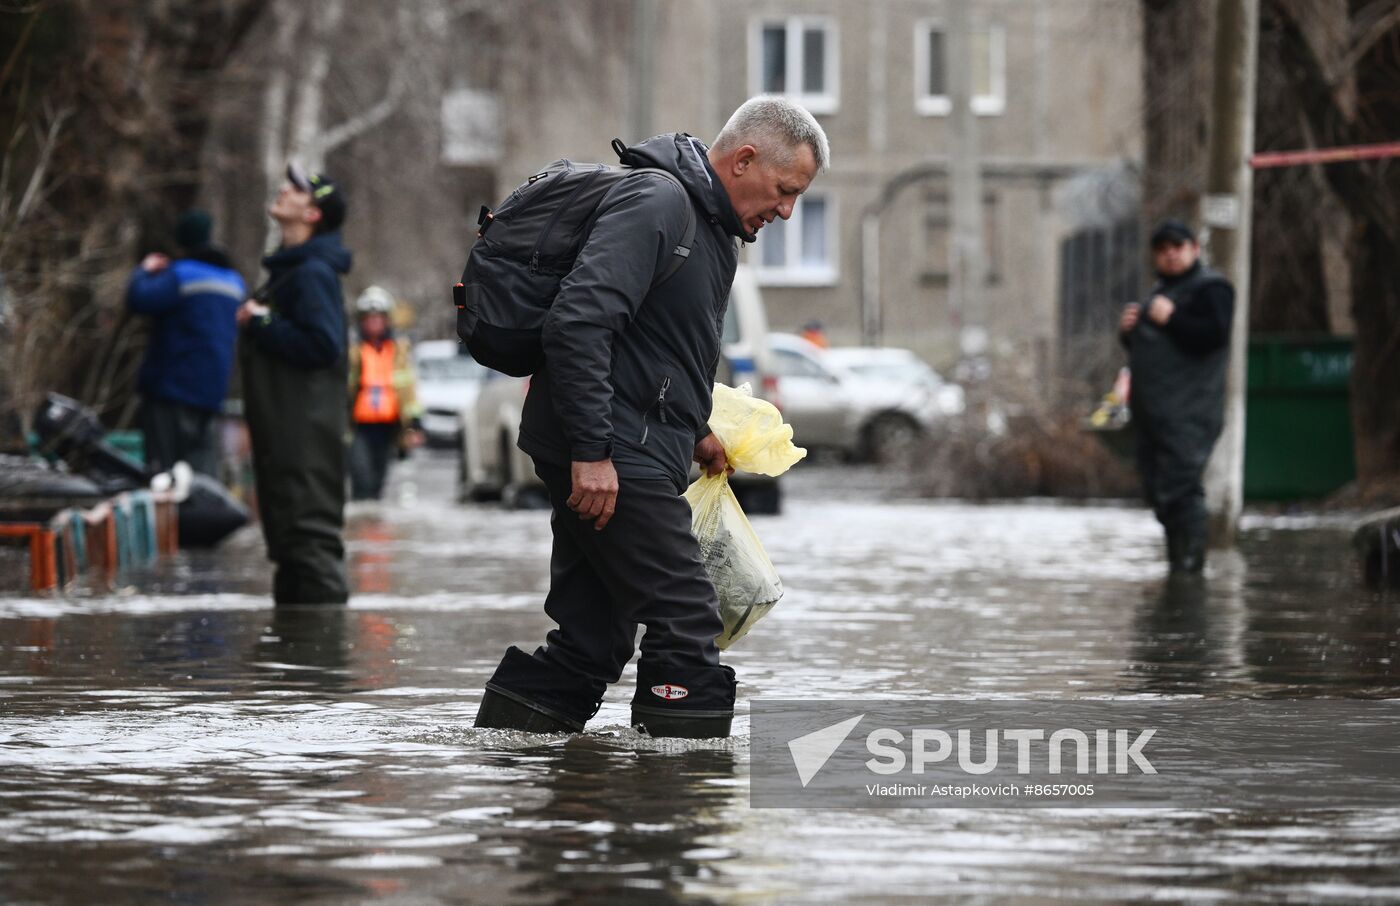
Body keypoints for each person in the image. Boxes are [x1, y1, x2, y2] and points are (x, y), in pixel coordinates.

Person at [474, 97, 828, 739]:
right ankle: (676, 806)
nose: (786, 210)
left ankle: (517, 763)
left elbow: (655, 348)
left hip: (630, 447)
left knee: (594, 639)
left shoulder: (714, 230)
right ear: (744, 159)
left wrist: (695, 432)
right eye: (784, 191)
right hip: (611, 452)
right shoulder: (660, 203)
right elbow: (579, 322)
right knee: (687, 616)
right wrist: (592, 453)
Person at [236, 163, 353, 605]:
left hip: (305, 441)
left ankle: (321, 664)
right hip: (289, 438)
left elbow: (324, 345)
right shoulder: (293, 271)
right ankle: (296, 663)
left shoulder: (312, 274)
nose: (284, 190)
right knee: (290, 547)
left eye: (297, 190)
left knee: (309, 544)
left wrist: (262, 322)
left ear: (312, 215)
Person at [1119, 219, 1235, 573]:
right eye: (1162, 249)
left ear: (1194, 249)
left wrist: (1173, 318)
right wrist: (1129, 331)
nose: (1170, 255)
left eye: (1177, 247)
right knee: (1158, 490)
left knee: (1181, 489)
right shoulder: (1158, 293)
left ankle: (1189, 571)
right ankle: (1178, 566)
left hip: (1189, 413)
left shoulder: (1211, 288)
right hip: (1153, 415)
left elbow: (1213, 335)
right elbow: (1150, 353)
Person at [125, 209, 246, 476]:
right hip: (212, 392)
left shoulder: (180, 275)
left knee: (164, 479)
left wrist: (143, 271)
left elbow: (139, 299)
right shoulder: (235, 283)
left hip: (171, 390)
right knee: (201, 479)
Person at [347, 285, 422, 501]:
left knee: (379, 477)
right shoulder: (354, 351)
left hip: (388, 425)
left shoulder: (398, 351)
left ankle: (371, 526)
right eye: (369, 319)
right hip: (360, 426)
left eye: (378, 318)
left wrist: (414, 423)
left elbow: (408, 389)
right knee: (361, 476)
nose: (374, 323)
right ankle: (361, 521)